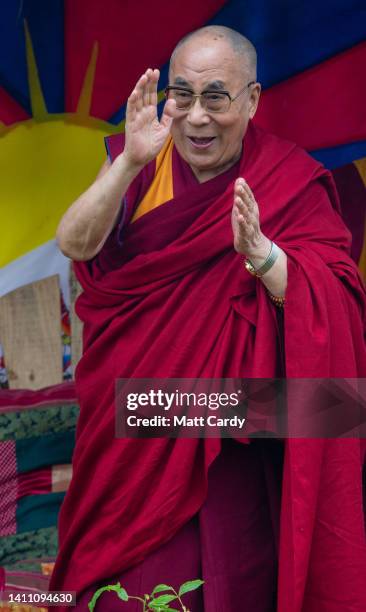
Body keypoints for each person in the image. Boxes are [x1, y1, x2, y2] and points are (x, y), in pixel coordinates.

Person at [50, 26, 366, 612]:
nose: (196, 117)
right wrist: (127, 165)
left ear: (251, 100)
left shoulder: (287, 180)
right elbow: (75, 243)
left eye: (215, 97)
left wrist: (265, 257)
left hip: (230, 450)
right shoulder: (138, 160)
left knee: (230, 581)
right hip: (131, 435)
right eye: (182, 95)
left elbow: (339, 310)